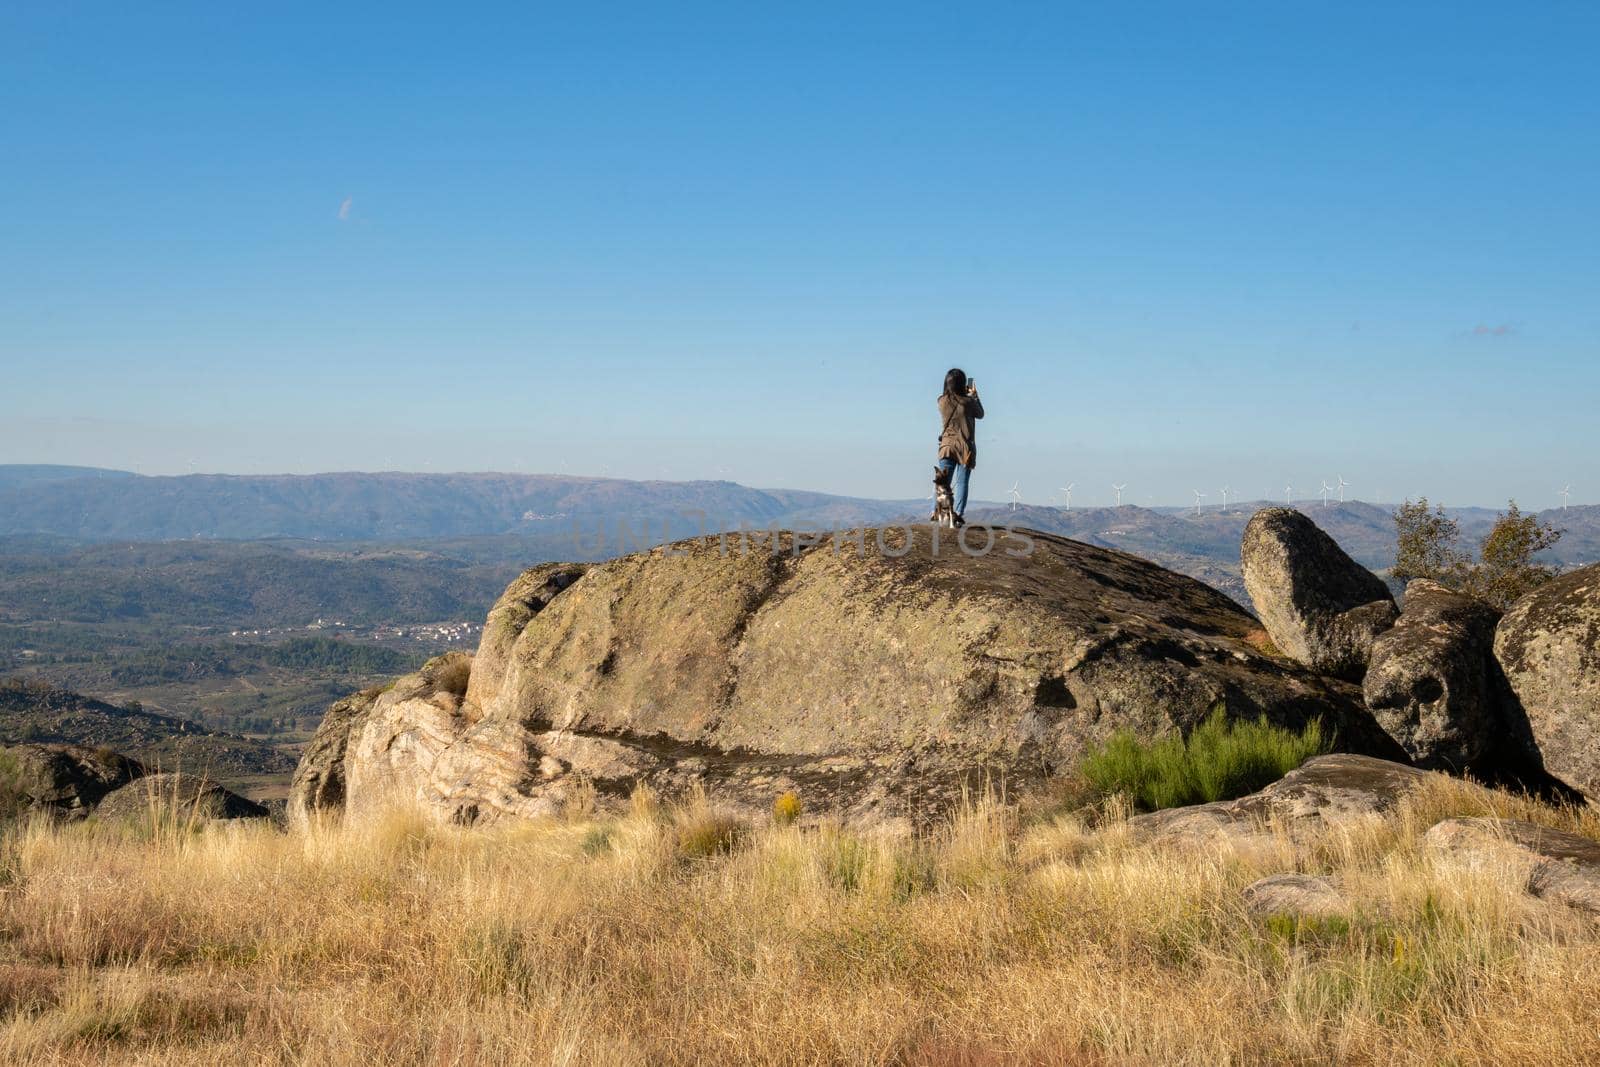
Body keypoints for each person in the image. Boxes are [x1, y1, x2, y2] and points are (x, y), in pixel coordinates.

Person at [936, 367, 983, 525]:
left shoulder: (941, 401)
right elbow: (981, 414)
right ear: (963, 384)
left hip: (947, 446)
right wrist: (974, 396)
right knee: (962, 483)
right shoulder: (968, 402)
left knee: (943, 483)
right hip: (964, 448)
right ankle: (957, 516)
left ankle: (940, 515)